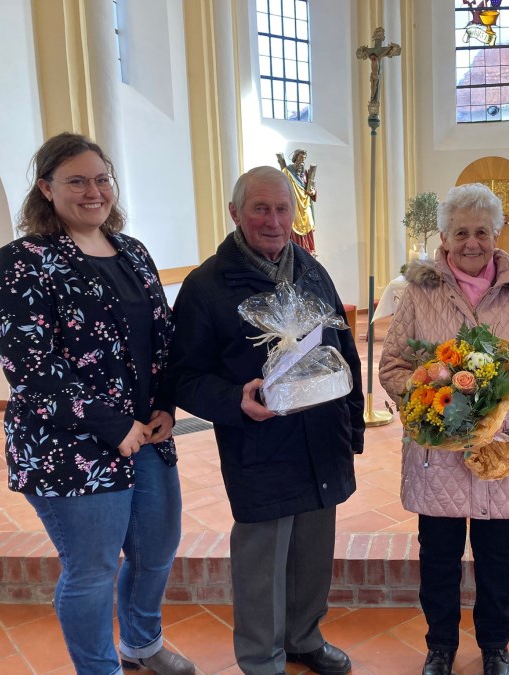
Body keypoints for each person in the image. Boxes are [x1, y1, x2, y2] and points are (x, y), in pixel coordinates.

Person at [0, 133, 192, 675]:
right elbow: (29, 364)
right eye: (76, 181)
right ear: (45, 188)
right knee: (93, 569)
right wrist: (110, 423)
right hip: (68, 446)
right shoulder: (22, 261)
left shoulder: (133, 251)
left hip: (145, 436)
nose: (93, 191)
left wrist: (166, 405)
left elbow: (161, 339)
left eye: (101, 179)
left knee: (155, 550)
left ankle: (141, 644)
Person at [169, 166, 364, 675]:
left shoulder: (311, 270)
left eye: (282, 209)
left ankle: (304, 638)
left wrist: (353, 426)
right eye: (260, 209)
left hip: (322, 439)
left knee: (314, 550)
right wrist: (234, 400)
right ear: (235, 213)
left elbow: (344, 351)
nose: (274, 221)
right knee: (262, 560)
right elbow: (183, 376)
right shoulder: (206, 285)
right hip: (259, 442)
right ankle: (261, 660)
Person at [379, 184, 509, 675]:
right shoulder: (420, 292)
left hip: (502, 450)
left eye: (481, 232)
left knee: (498, 558)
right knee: (438, 556)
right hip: (438, 450)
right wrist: (433, 406)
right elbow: (393, 364)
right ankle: (440, 646)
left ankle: (495, 647)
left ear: (497, 234)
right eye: (460, 232)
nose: (471, 242)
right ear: (443, 237)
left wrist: (496, 413)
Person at [276, 149, 317, 254]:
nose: (302, 160)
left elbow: (312, 189)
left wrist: (312, 192)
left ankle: (308, 252)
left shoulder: (306, 174)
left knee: (308, 224)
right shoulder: (287, 172)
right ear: (295, 158)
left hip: (305, 205)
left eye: (304, 158)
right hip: (293, 206)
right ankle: (296, 252)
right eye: (300, 157)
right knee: (294, 226)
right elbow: (281, 188)